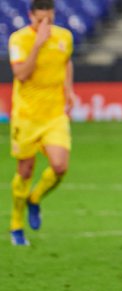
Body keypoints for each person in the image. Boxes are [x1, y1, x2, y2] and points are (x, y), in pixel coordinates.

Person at [8, 0, 74, 245]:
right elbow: (21, 75)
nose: (46, 24)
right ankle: (16, 224)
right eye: (40, 20)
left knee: (60, 167)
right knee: (25, 170)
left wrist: (69, 90)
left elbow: (66, 62)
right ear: (31, 16)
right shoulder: (19, 40)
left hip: (54, 115)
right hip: (26, 117)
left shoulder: (65, 37)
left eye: (50, 18)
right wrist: (38, 43)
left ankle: (34, 198)